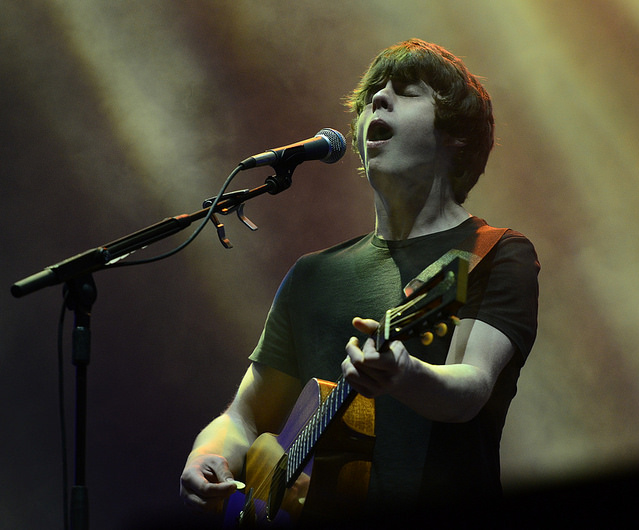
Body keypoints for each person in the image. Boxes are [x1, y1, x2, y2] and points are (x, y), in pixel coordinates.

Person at [180, 38, 539, 524]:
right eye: (373, 94)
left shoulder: (494, 253)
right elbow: (243, 416)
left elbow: (471, 388)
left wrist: (404, 374)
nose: (379, 100)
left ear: (456, 135)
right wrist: (209, 455)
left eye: (407, 92)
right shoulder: (312, 276)